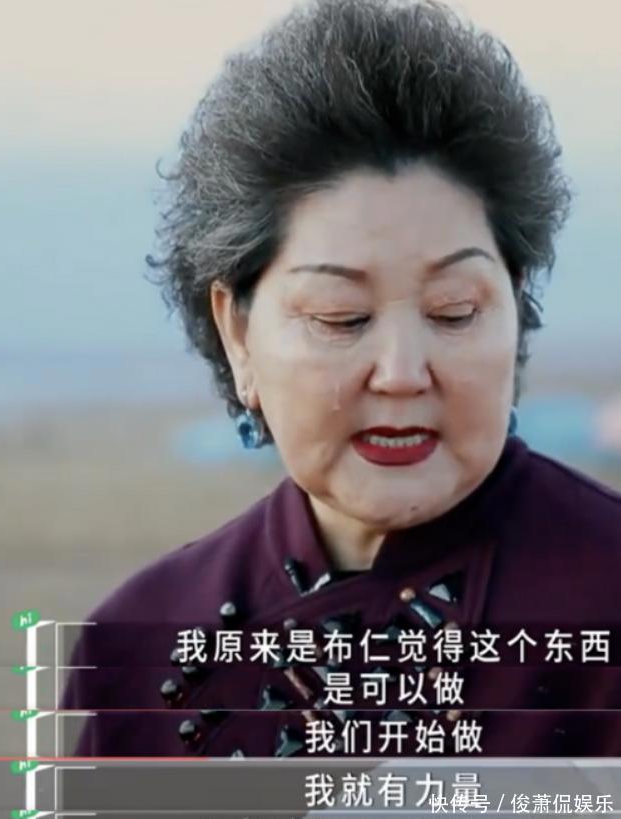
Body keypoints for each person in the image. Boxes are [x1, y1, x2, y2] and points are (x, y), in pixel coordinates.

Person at [61, 0, 621, 758]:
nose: (401, 374)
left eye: (454, 312)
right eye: (341, 316)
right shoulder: (135, 649)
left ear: (516, 308)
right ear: (237, 334)